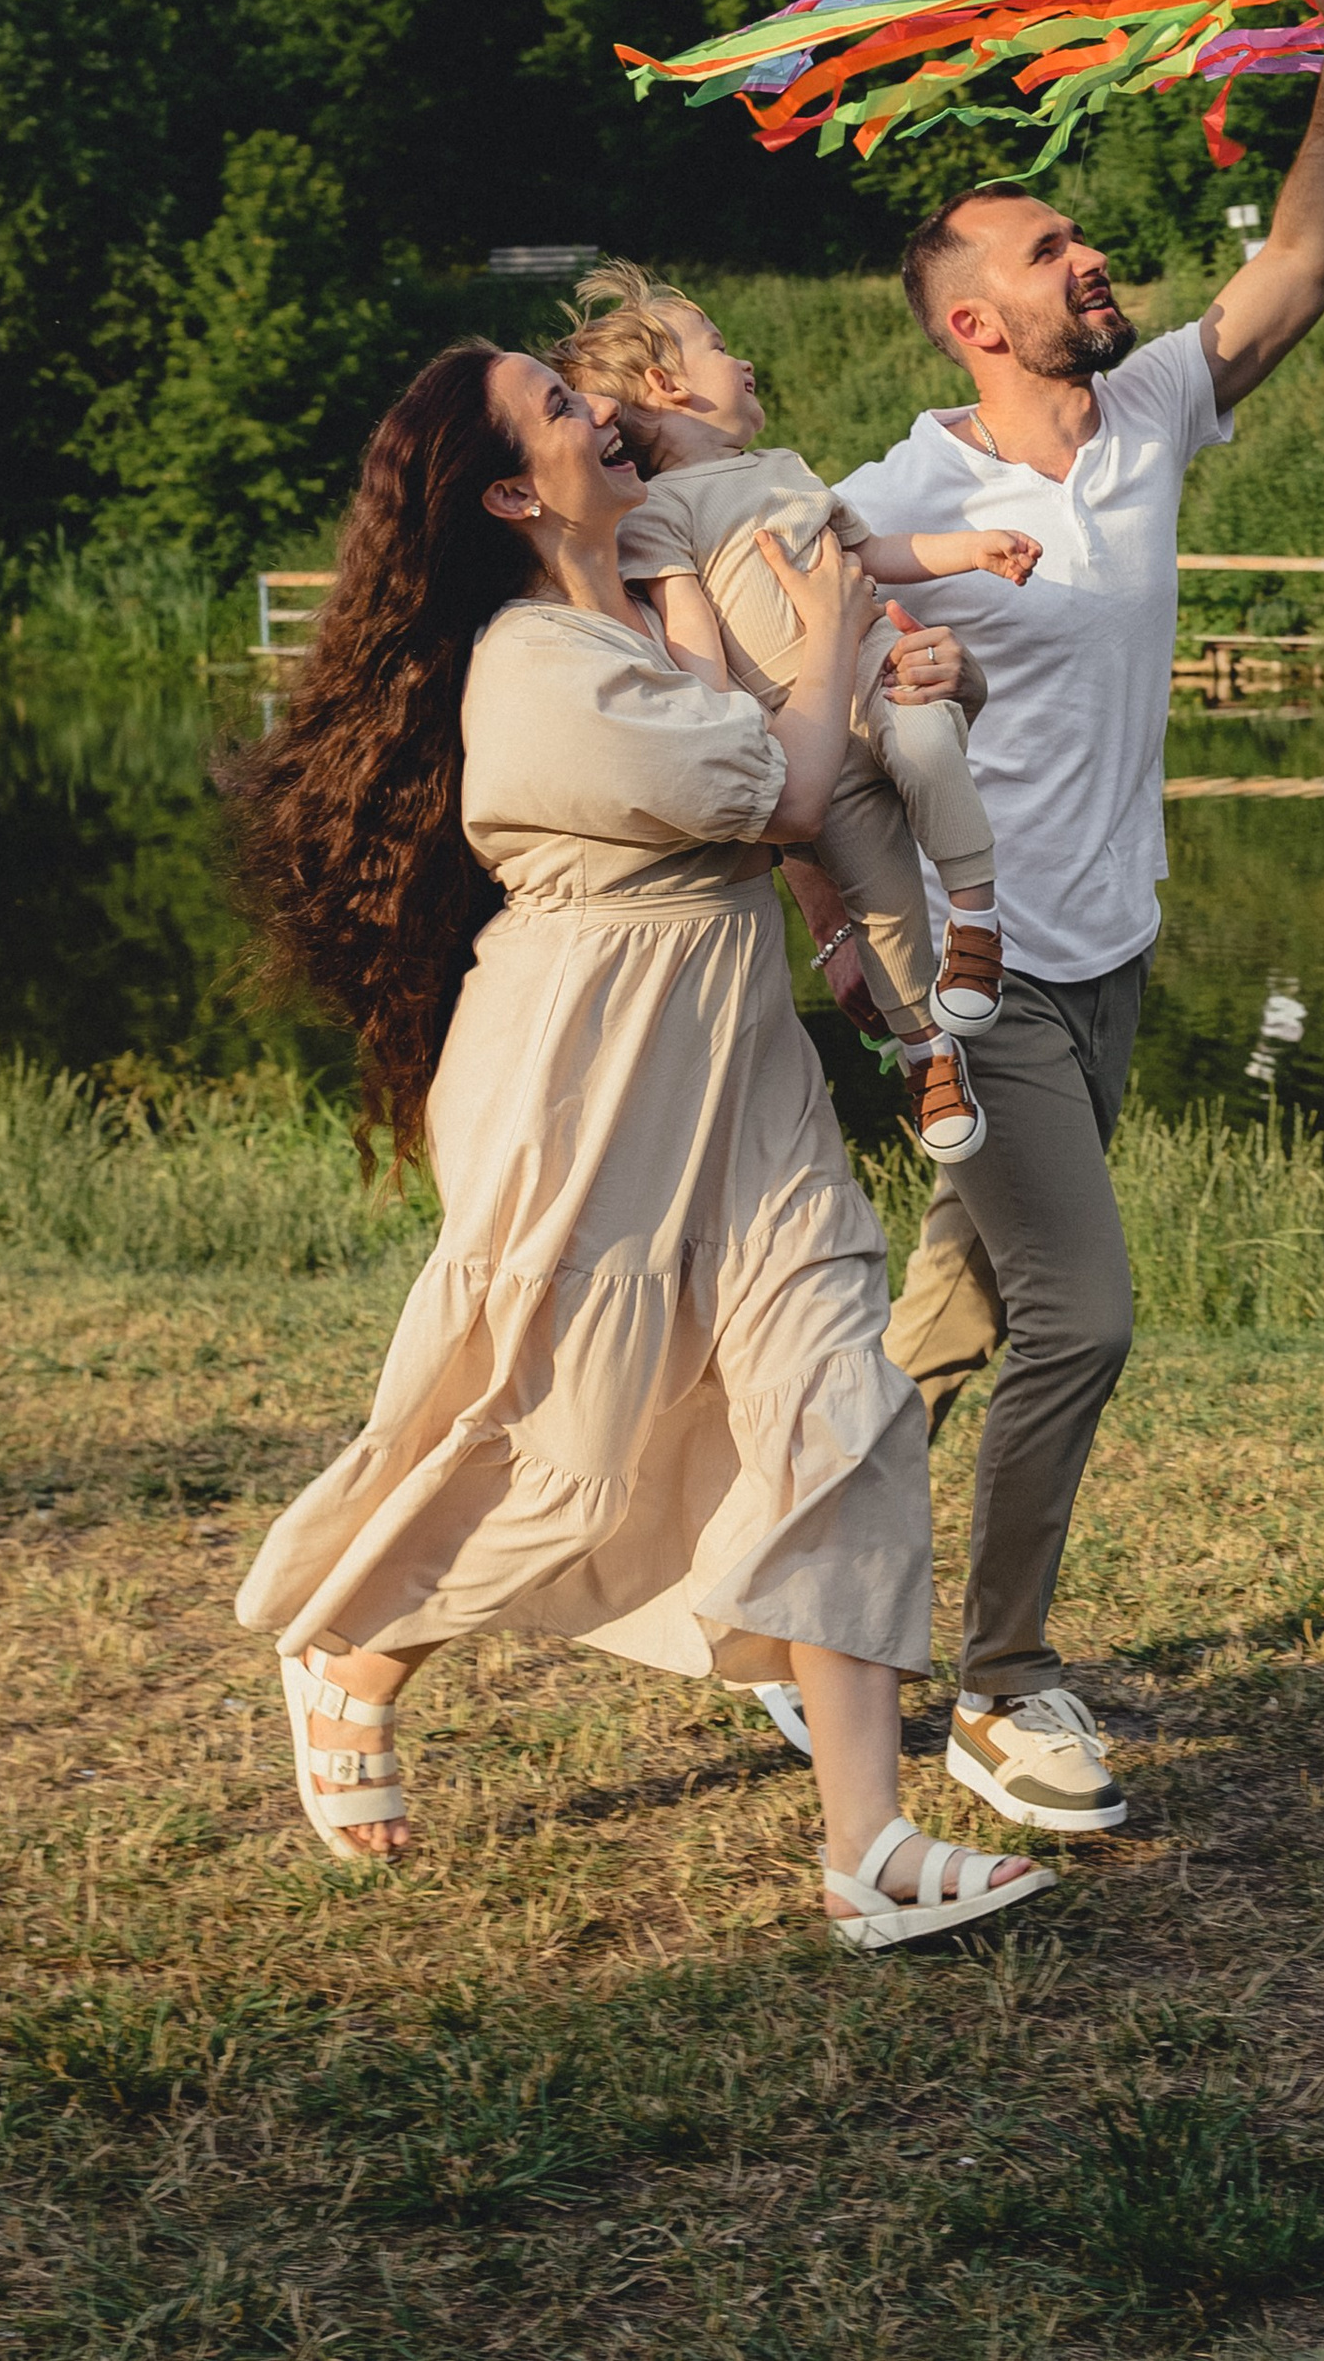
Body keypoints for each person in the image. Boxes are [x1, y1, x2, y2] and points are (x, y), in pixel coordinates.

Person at [225, 338, 1051, 1947]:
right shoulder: (536, 665)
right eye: (558, 404)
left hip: (736, 1051)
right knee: (563, 1421)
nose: (601, 406)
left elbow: (841, 755)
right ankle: (352, 1649)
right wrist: (828, 631)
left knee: (844, 1393)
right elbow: (787, 792)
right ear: (508, 493)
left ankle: (868, 1845)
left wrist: (913, 676)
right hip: (583, 1068)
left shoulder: (665, 609)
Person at [783, 0, 1324, 1837]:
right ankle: (1001, 1684)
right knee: (1084, 1315)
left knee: (963, 1306)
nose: (1088, 254)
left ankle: (781, 1601)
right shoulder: (894, 501)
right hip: (974, 973)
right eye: (1049, 251)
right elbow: (764, 691)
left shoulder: (1145, 418)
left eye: (1079, 237)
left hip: (1110, 950)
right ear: (974, 321)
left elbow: (1303, 257)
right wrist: (838, 915)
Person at [551, 266, 1042, 1169]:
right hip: (802, 726)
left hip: (874, 667)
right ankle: (928, 1053)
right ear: (666, 384)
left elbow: (871, 552)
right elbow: (691, 630)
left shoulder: (784, 470)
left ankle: (976, 922)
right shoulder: (657, 511)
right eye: (718, 346)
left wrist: (971, 549)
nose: (742, 360)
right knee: (880, 897)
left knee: (929, 740)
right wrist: (724, 720)